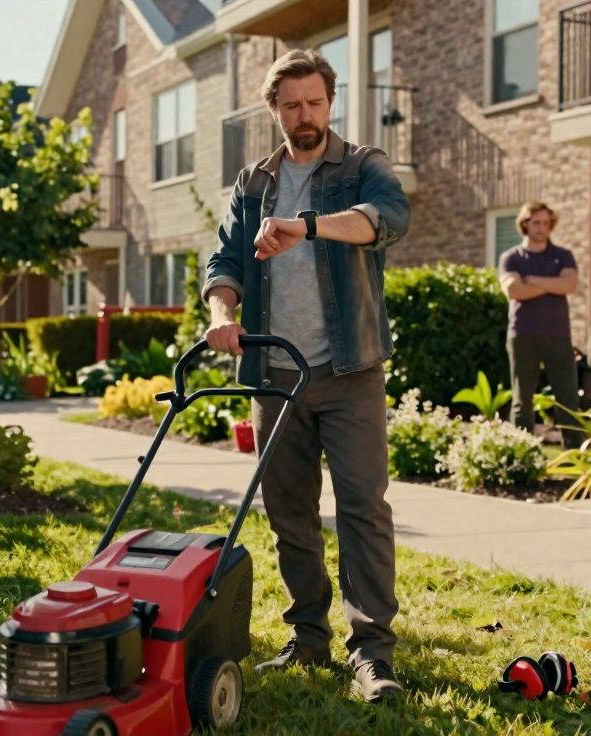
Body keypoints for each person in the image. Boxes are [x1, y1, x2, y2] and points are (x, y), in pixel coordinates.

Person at [202, 48, 410, 704]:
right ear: (275, 110)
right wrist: (219, 312)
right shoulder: (254, 181)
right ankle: (309, 635)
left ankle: (372, 651)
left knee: (362, 509)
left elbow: (388, 221)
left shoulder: (361, 167)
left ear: (331, 101)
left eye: (315, 102)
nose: (305, 115)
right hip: (273, 372)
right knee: (290, 509)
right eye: (291, 104)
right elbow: (226, 258)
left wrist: (308, 226)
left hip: (348, 368)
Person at [497, 201, 581, 449]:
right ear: (525, 224)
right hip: (523, 335)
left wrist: (531, 279)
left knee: (567, 396)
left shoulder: (563, 255)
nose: (541, 228)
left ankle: (575, 452)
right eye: (536, 223)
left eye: (546, 223)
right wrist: (551, 283)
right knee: (522, 398)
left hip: (558, 335)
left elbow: (569, 285)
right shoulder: (511, 257)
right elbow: (513, 290)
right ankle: (521, 453)